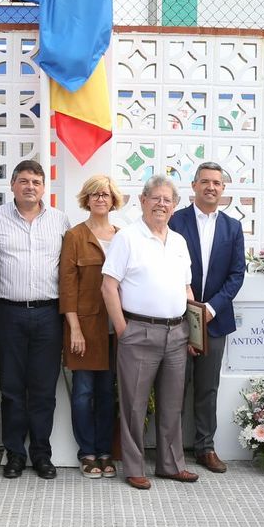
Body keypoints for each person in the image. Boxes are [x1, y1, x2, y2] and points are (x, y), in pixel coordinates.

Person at [101, 174, 199, 490]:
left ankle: (170, 465)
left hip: (176, 333)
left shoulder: (180, 242)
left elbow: (187, 289)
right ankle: (133, 467)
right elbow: (109, 286)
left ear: (175, 206)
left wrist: (194, 333)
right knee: (133, 405)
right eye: (155, 198)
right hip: (138, 331)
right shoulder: (127, 238)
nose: (161, 204)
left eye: (167, 199)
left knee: (173, 404)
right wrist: (122, 330)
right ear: (142, 201)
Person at [0, 159, 71, 480]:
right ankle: (15, 454)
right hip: (6, 312)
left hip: (49, 314)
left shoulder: (60, 221)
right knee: (11, 388)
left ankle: (42, 454)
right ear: (12, 185)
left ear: (43, 187)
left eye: (35, 181)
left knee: (43, 389)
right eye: (23, 181)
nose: (29, 187)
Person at [169, 161, 246, 473]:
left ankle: (205, 448)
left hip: (215, 322)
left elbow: (236, 274)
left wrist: (210, 309)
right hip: (176, 317)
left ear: (223, 189)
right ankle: (170, 449)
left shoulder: (233, 227)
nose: (211, 187)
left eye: (216, 182)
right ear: (194, 186)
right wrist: (187, 309)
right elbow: (167, 266)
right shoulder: (175, 221)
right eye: (205, 182)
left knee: (207, 386)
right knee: (174, 385)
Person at [61, 174, 125, 479]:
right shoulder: (75, 236)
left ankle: (104, 451)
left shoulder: (123, 236)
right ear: (87, 199)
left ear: (114, 200)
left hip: (116, 329)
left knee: (107, 392)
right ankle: (87, 453)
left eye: (106, 194)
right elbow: (67, 287)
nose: (101, 199)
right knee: (83, 393)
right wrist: (74, 328)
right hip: (85, 330)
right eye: (95, 194)